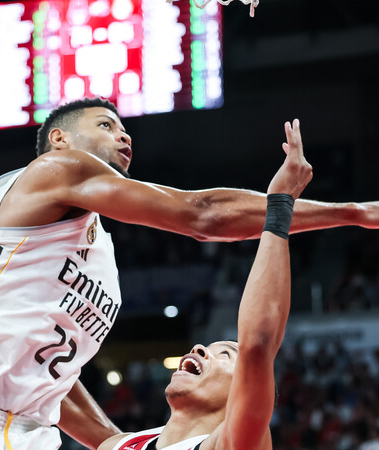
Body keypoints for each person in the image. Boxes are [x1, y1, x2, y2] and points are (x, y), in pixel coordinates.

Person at [0, 97, 379, 450]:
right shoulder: (48, 174)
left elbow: (48, 372)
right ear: (59, 140)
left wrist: (112, 439)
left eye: (124, 128)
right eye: (105, 125)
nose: (124, 134)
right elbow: (203, 215)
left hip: (29, 433)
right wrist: (352, 213)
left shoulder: (103, 264)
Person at [100, 115, 312, 450]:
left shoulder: (234, 443)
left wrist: (280, 205)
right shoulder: (117, 446)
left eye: (227, 354)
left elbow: (257, 345)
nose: (198, 348)